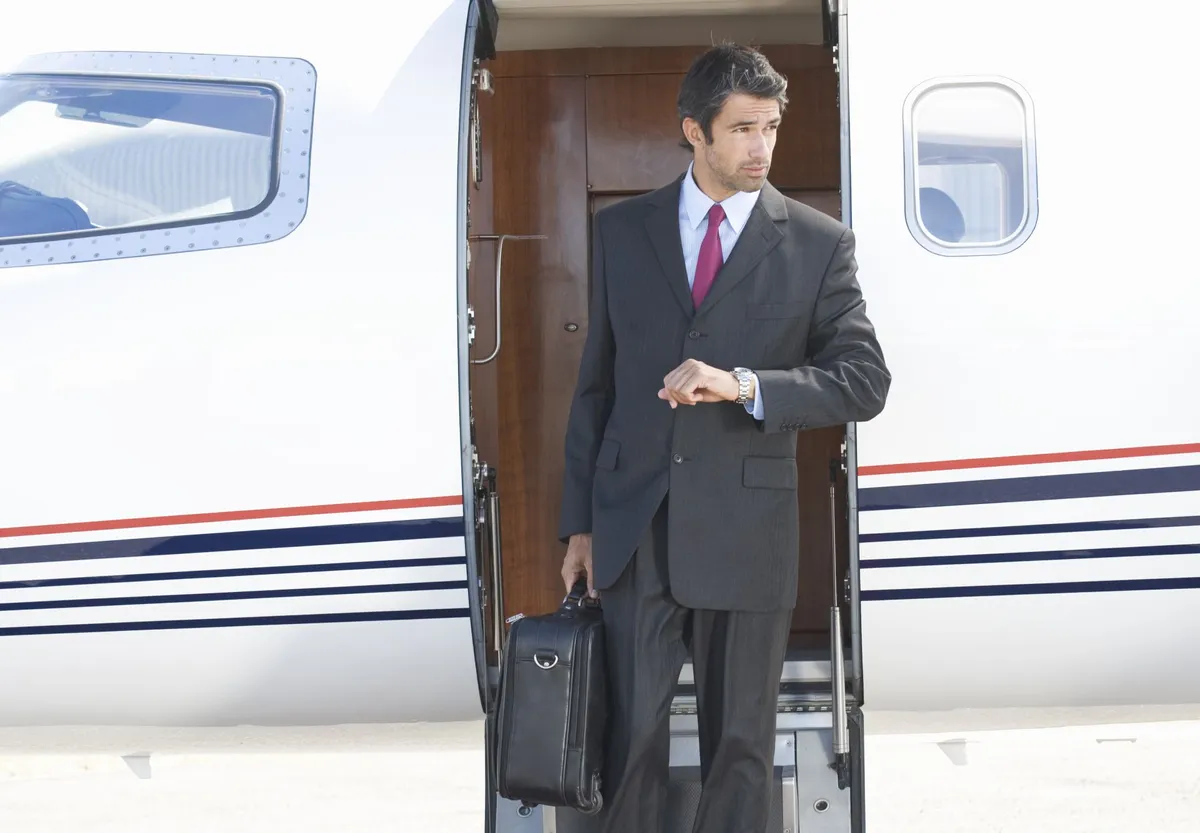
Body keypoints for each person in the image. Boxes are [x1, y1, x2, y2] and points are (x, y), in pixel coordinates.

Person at [557, 43, 891, 833]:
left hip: (748, 534)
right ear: (694, 132)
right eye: (742, 129)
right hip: (635, 527)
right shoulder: (622, 232)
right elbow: (595, 386)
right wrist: (578, 522)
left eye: (770, 127)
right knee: (626, 739)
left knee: (739, 749)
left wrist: (745, 384)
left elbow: (863, 380)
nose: (761, 148)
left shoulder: (816, 243)